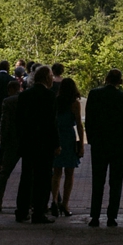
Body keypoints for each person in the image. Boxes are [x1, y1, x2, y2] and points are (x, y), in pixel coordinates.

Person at [84, 69, 123, 227]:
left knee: (98, 180)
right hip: (119, 145)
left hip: (99, 144)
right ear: (119, 81)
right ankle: (112, 216)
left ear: (106, 79)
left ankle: (95, 216)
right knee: (116, 181)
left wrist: (91, 139)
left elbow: (89, 119)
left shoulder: (94, 94)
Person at [14, 66, 59, 224]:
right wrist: (56, 143)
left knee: (26, 177)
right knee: (43, 178)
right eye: (51, 76)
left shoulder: (25, 95)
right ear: (46, 78)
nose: (52, 79)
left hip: (27, 142)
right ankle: (39, 212)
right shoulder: (50, 96)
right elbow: (51, 123)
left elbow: (18, 120)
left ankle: (21, 211)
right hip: (44, 143)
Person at [50, 76, 85, 216]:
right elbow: (79, 125)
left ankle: (53, 201)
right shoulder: (75, 104)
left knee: (56, 172)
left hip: (57, 137)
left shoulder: (55, 101)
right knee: (69, 173)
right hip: (69, 138)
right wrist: (81, 144)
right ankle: (65, 203)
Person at [0, 79, 24, 211]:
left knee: (4, 174)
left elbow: (4, 124)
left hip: (12, 142)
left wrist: (2, 143)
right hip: (26, 141)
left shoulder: (8, 102)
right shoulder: (26, 99)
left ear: (10, 90)